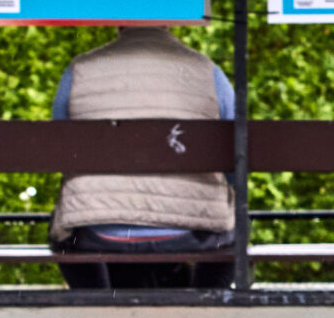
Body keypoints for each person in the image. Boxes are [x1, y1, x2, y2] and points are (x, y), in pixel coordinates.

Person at [47, 23, 236, 291]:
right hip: (192, 231)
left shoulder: (79, 70)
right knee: (237, 227)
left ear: (120, 21)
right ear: (170, 21)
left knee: (65, 232)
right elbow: (233, 155)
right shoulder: (208, 71)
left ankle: (96, 303)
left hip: (100, 232)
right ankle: (206, 302)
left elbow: (62, 151)